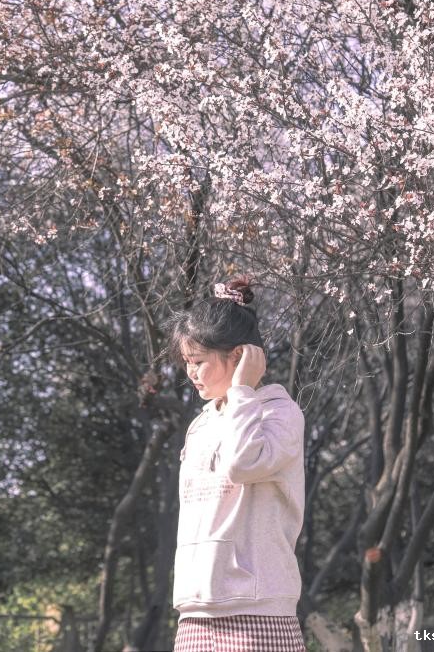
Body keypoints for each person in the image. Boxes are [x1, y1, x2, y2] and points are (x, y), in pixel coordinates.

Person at [165, 277, 306, 652]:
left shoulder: (280, 413)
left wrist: (243, 391)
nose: (191, 373)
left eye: (198, 362)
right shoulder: (201, 424)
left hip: (259, 611)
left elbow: (242, 464)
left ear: (239, 356)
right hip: (194, 612)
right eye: (187, 363)